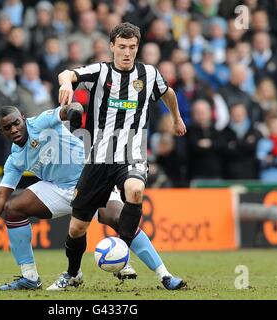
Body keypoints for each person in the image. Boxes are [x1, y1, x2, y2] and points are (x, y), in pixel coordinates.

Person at [0, 104, 184, 291]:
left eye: (15, 123)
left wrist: (74, 114)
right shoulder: (15, 159)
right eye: (6, 128)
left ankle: (164, 275)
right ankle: (30, 277)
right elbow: (0, 196)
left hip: (92, 178)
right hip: (58, 188)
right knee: (12, 209)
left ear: (23, 118)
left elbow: (71, 107)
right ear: (1, 131)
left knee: (119, 219)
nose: (13, 130)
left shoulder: (40, 122)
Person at [48, 22, 186, 291]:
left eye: (132, 47)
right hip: (98, 158)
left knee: (135, 190)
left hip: (131, 153)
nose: (127, 52)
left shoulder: (149, 73)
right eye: (121, 47)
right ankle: (72, 274)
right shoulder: (100, 71)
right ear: (112, 46)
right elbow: (68, 73)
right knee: (77, 229)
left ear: (137, 48)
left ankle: (127, 254)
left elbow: (168, 92)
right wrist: (65, 84)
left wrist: (177, 119)